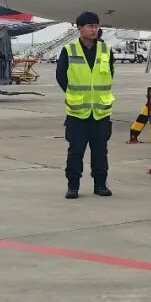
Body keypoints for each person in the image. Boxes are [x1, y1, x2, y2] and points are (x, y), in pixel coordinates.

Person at [56, 11, 115, 199]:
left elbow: (110, 74)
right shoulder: (69, 50)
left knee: (100, 151)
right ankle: (73, 186)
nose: (94, 30)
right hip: (77, 112)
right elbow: (61, 76)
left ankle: (100, 185)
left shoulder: (106, 50)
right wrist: (74, 94)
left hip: (100, 112)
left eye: (96, 26)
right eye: (90, 26)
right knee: (75, 151)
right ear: (79, 28)